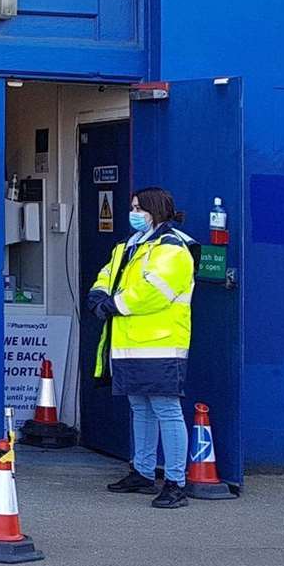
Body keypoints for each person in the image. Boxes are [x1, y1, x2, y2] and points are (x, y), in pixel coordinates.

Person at [86, 186, 196, 509]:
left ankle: (176, 482)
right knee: (140, 409)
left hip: (161, 346)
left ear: (154, 210)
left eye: (138, 208)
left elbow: (153, 291)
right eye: (132, 206)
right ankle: (143, 472)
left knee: (166, 411)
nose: (133, 213)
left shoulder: (173, 248)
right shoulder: (129, 246)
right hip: (131, 346)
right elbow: (109, 274)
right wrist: (98, 294)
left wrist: (114, 304)